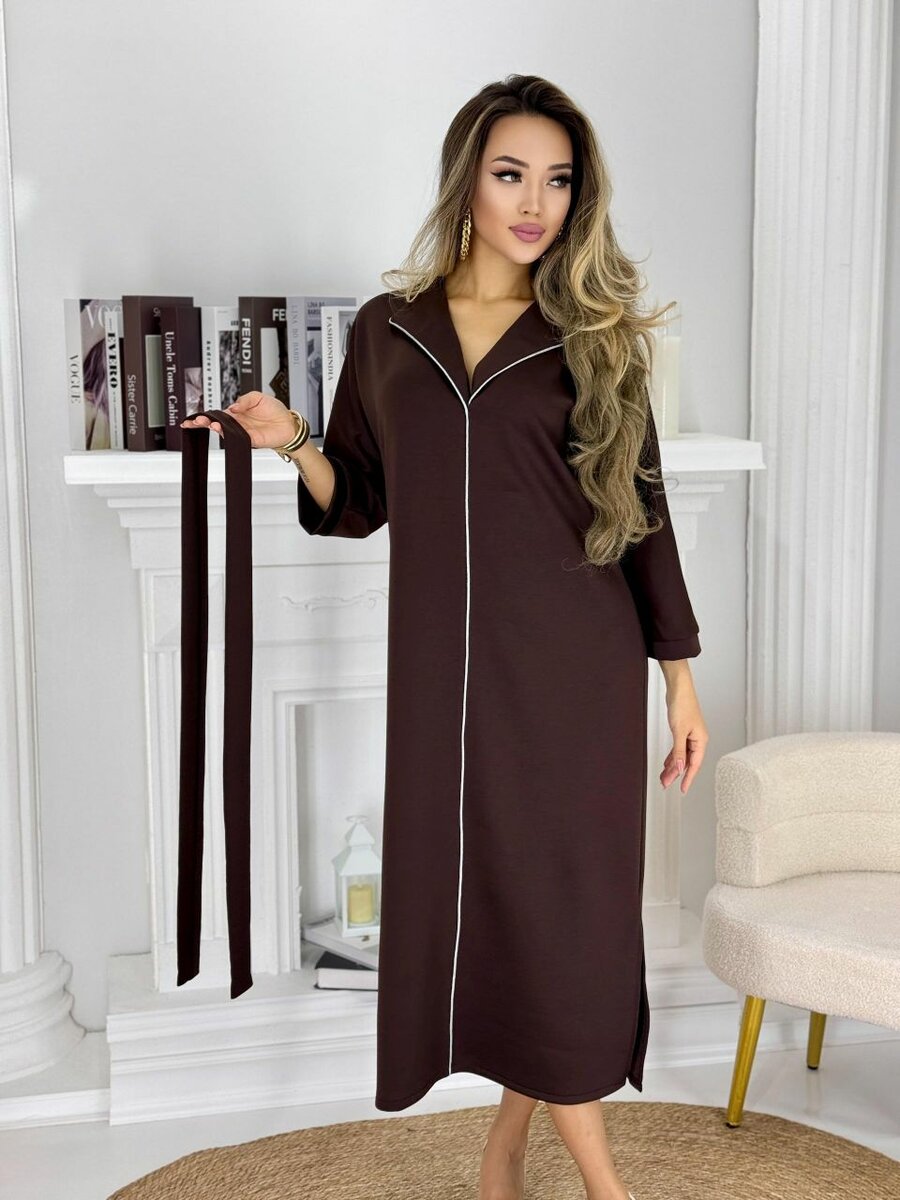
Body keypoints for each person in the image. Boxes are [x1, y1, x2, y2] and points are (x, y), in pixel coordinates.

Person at [182, 73, 709, 1200]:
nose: (535, 203)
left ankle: (600, 1183)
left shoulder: (592, 336)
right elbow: (360, 497)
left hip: (575, 673)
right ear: (468, 178)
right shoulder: (389, 330)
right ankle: (503, 1152)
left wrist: (679, 681)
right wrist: (290, 441)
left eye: (557, 181)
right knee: (502, 919)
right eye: (512, 174)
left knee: (563, 921)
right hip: (444, 682)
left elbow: (643, 510)